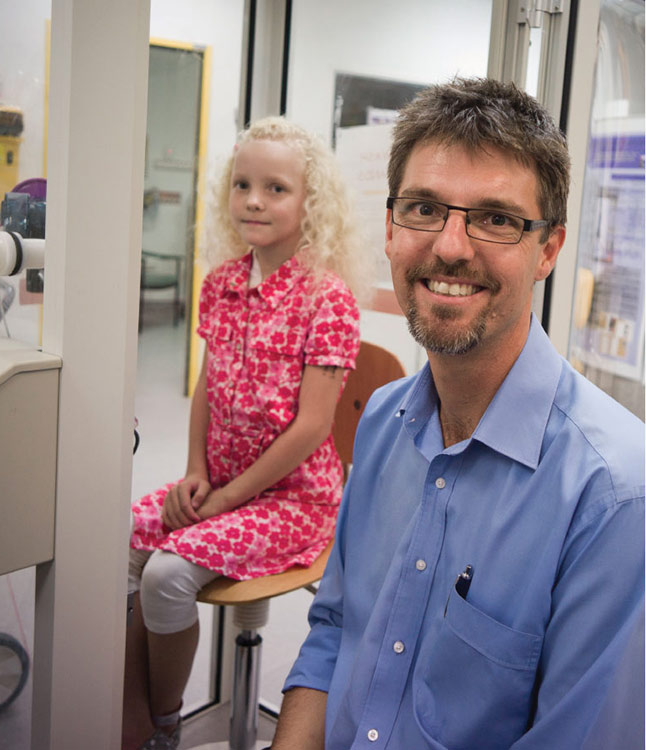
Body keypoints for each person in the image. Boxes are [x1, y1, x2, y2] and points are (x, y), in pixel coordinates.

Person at [273, 77, 645, 749]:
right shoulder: (383, 422)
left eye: (496, 218)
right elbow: (334, 634)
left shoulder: (613, 494)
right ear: (391, 229)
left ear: (548, 250)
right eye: (424, 208)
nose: (449, 247)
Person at [122, 116, 368, 750]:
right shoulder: (223, 284)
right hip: (221, 484)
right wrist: (195, 472)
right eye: (242, 185)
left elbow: (312, 427)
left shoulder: (328, 299)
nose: (254, 200)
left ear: (311, 203)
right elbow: (207, 387)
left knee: (165, 576)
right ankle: (129, 713)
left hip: (294, 502)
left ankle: (163, 725)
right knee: (119, 541)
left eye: (276, 188)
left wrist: (228, 498)